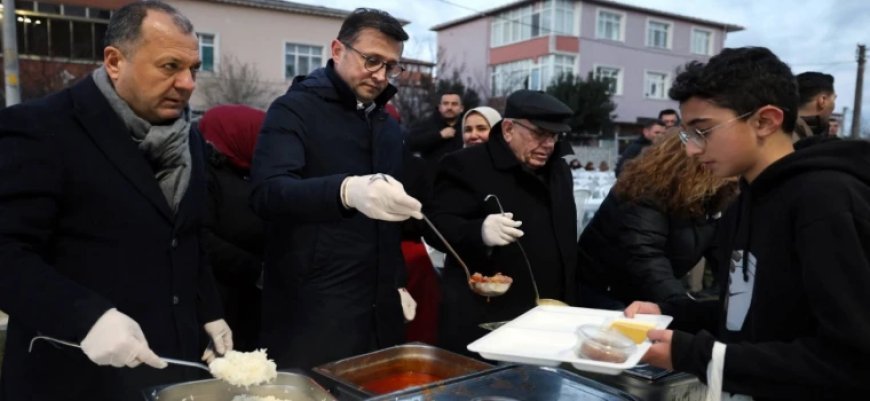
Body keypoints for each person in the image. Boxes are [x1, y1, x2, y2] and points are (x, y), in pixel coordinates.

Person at [0, 2, 231, 399]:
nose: (188, 83)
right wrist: (85, 316)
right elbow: (7, 252)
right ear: (114, 61)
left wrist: (209, 309)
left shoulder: (188, 138)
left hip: (167, 367)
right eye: (170, 66)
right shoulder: (41, 129)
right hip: (74, 377)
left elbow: (188, 236)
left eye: (193, 69)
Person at [625, 47, 870, 400]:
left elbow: (852, 358)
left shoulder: (826, 200)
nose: (692, 150)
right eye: (687, 135)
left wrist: (699, 356)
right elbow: (750, 311)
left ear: (765, 121)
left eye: (703, 131)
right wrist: (669, 313)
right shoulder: (744, 201)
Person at [250, 8, 423, 370]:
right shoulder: (294, 110)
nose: (381, 76)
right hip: (312, 308)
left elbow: (389, 224)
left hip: (378, 306)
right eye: (371, 60)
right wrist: (345, 191)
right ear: (338, 50)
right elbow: (268, 193)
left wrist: (396, 281)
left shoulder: (387, 126)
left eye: (391, 66)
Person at [426, 90, 577, 355]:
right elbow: (434, 226)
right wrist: (479, 231)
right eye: (540, 134)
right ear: (508, 129)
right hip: (488, 317)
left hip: (549, 316)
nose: (549, 144)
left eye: (555, 136)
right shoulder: (465, 164)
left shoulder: (559, 170)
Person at [577, 131, 738, 309]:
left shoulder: (713, 196)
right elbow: (647, 257)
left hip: (648, 292)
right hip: (605, 292)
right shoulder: (645, 191)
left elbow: (722, 254)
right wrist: (681, 307)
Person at [199, 104, 267, 352]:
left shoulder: (246, 174)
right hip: (216, 303)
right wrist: (256, 270)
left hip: (247, 301)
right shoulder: (205, 177)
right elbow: (201, 238)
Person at [409, 91, 465, 161]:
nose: (449, 107)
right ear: (439, 107)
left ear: (461, 108)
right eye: (445, 103)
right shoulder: (426, 124)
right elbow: (411, 144)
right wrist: (439, 136)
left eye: (454, 104)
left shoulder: (467, 127)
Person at [794, 71, 836, 139]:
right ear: (822, 100)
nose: (834, 107)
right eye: (833, 99)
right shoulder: (806, 140)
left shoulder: (780, 131)